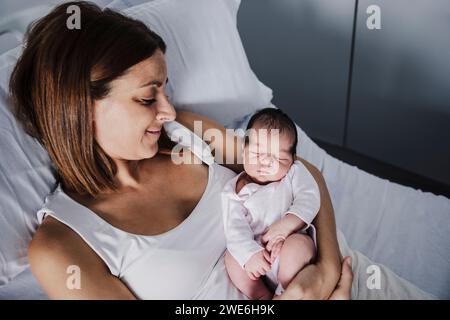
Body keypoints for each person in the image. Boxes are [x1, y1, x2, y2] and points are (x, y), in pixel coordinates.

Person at [9, 2, 352, 299]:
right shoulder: (62, 245)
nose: (168, 111)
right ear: (80, 109)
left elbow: (298, 171)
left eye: (165, 92)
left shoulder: (184, 134)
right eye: (147, 97)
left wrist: (325, 272)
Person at [223, 108, 320, 299]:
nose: (267, 163)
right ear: (244, 151)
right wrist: (249, 254)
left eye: (279, 158)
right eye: (257, 153)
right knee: (231, 258)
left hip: (290, 246)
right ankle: (260, 295)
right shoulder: (234, 191)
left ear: (292, 160)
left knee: (297, 247)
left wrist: (286, 226)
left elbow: (310, 197)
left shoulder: (293, 174)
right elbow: (234, 228)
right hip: (257, 259)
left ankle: (284, 291)